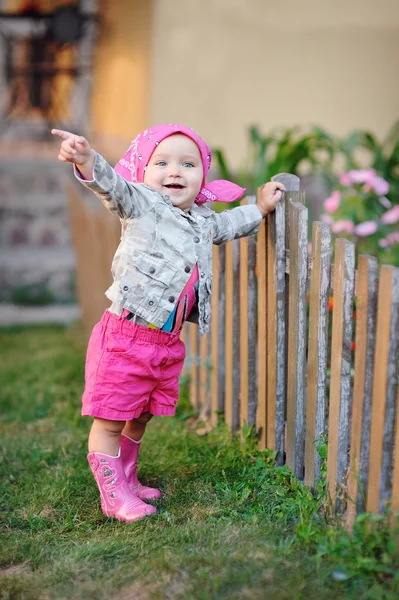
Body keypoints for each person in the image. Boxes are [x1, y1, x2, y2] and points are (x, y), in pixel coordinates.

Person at [52, 124, 285, 523]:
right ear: (143, 170)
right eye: (162, 162)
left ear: (202, 177)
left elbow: (230, 225)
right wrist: (88, 160)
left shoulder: (201, 220)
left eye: (187, 164)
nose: (174, 171)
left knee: (141, 414)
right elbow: (111, 187)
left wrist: (261, 209)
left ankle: (127, 476)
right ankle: (114, 496)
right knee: (111, 416)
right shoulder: (141, 203)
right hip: (126, 335)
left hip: (165, 341)